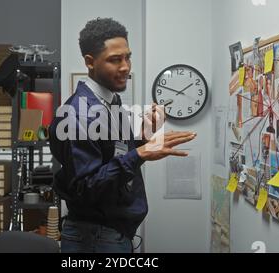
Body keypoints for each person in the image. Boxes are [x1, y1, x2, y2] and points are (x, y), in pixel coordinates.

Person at [49, 18, 196, 253]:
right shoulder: (77, 116)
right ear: (89, 62)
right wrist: (139, 154)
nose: (126, 67)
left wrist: (143, 139)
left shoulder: (110, 100)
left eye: (128, 57)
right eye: (115, 60)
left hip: (113, 233)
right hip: (94, 237)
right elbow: (86, 188)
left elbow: (111, 156)